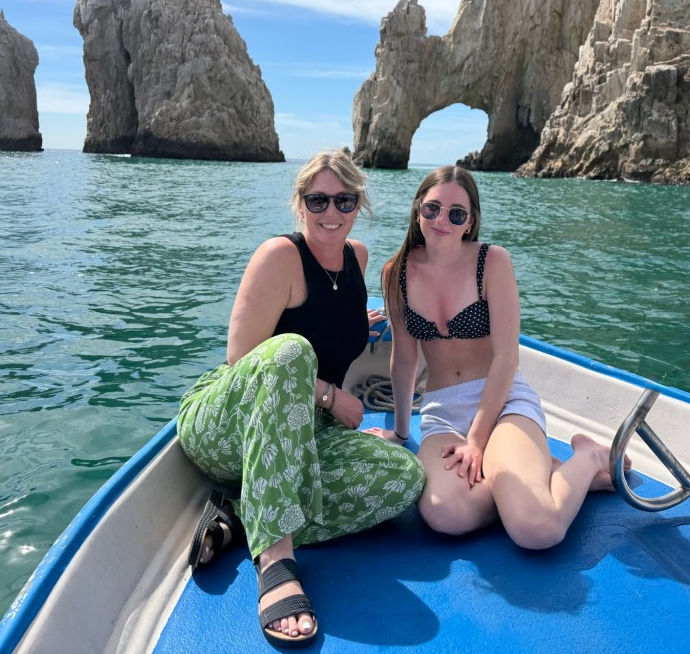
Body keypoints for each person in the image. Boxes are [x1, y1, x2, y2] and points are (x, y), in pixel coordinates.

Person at [177, 150, 425, 648]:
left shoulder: (356, 259)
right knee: (291, 351)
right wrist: (333, 397)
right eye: (317, 200)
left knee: (405, 478)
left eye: (343, 200)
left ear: (359, 204)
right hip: (228, 423)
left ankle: (244, 511)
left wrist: (361, 324)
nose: (330, 212)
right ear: (300, 204)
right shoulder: (280, 256)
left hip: (302, 435)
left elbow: (332, 311)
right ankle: (276, 559)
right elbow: (242, 357)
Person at [377, 165, 624, 551]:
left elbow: (507, 358)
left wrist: (477, 441)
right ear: (417, 210)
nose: (442, 220)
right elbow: (405, 360)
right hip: (443, 412)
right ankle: (533, 477)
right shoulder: (396, 273)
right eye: (432, 209)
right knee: (444, 514)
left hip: (503, 401)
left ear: (470, 221)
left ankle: (588, 457)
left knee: (536, 529)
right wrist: (401, 433)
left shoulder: (491, 262)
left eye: (456, 213)